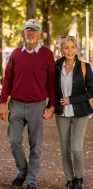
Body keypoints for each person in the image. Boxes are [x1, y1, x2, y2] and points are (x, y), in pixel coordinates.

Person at [0, 19, 56, 189]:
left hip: (37, 106)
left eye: (34, 30)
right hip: (16, 105)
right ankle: (23, 170)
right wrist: (3, 102)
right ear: (24, 32)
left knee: (35, 146)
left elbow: (51, 82)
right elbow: (8, 78)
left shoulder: (47, 54)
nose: (31, 33)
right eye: (28, 30)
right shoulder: (16, 53)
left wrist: (52, 105)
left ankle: (31, 180)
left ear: (39, 34)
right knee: (13, 140)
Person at [55, 36, 93, 189]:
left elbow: (91, 91)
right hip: (61, 114)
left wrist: (71, 99)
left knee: (76, 148)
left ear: (76, 48)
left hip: (80, 113)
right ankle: (69, 180)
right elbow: (51, 89)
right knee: (64, 149)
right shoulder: (56, 66)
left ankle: (79, 179)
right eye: (66, 47)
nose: (70, 50)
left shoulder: (85, 66)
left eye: (72, 47)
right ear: (61, 50)